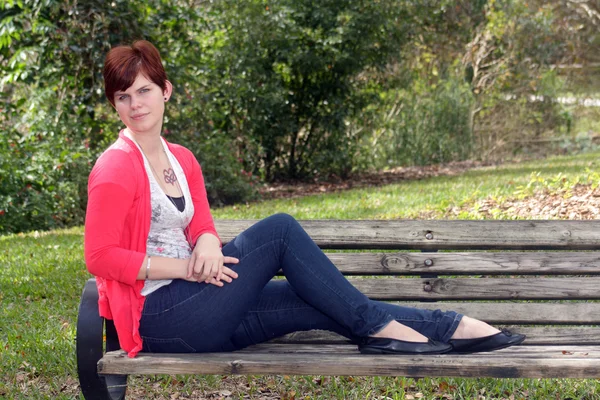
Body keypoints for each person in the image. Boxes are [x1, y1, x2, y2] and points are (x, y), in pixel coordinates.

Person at [84, 40, 525, 358]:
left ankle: (450, 327)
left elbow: (200, 224)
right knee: (279, 230)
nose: (135, 104)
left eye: (144, 90)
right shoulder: (116, 167)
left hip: (203, 307)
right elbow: (100, 256)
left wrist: (206, 242)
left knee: (313, 299)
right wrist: (186, 267)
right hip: (161, 317)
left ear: (166, 91)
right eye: (123, 97)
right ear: (115, 105)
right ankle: (383, 329)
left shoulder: (181, 159)